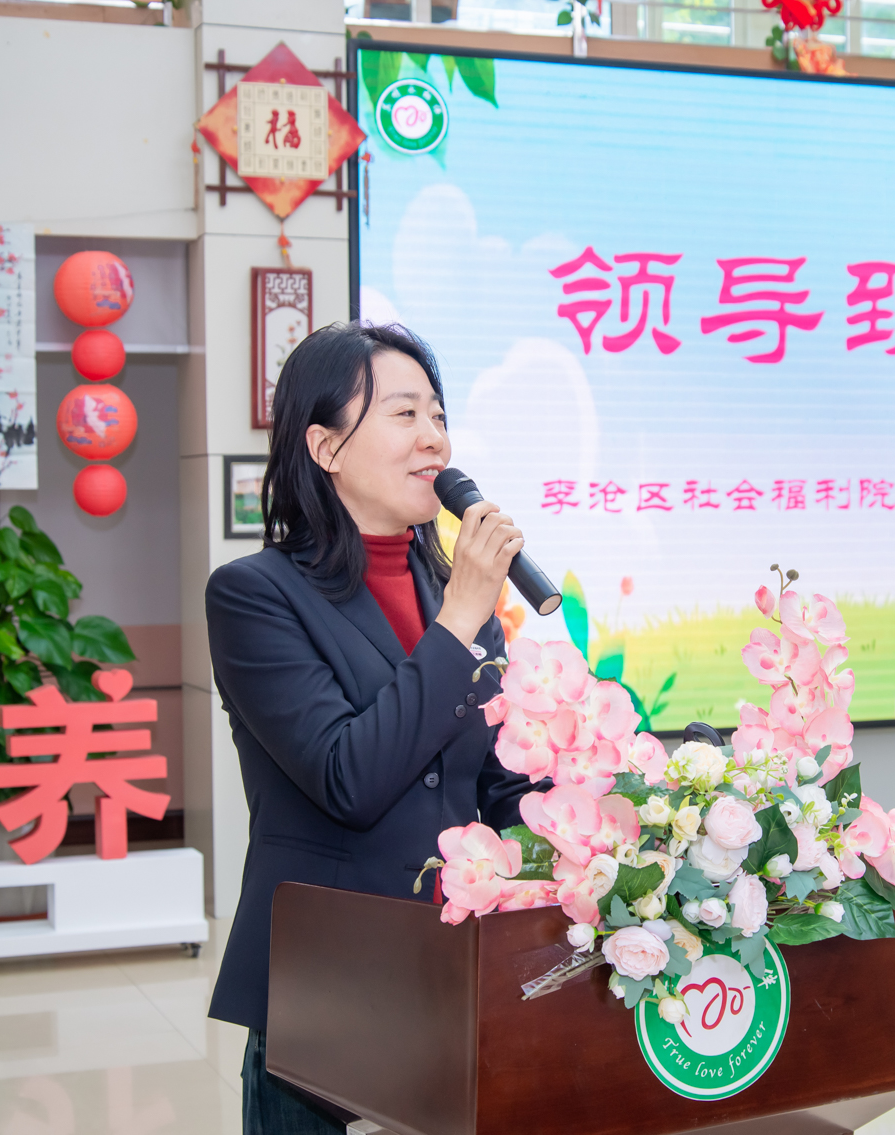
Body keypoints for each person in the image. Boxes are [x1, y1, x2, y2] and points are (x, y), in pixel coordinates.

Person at [205, 322, 539, 1134]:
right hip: (326, 991)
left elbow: (495, 783)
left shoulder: (452, 594)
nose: (434, 439)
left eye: (439, 415)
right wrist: (461, 618)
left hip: (452, 973)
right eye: (404, 413)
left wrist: (604, 820)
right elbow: (348, 777)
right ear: (325, 446)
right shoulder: (254, 595)